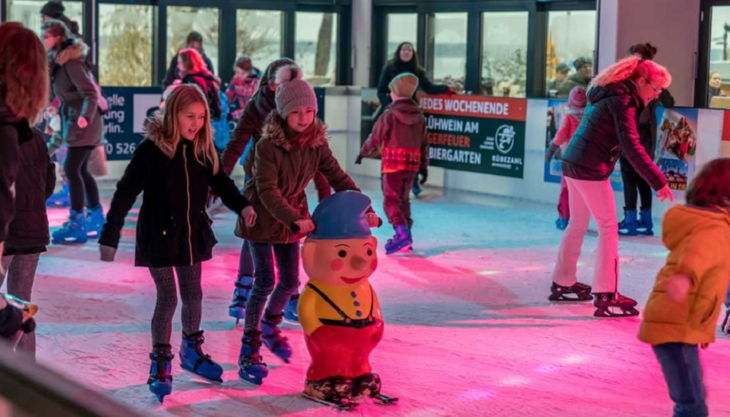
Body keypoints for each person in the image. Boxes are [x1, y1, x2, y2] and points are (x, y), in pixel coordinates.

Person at [98, 85, 255, 402]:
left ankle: (192, 350)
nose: (195, 123)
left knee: (194, 293)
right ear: (173, 115)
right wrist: (111, 233)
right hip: (157, 235)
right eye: (189, 116)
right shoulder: (152, 150)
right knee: (168, 297)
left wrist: (243, 205)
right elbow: (126, 191)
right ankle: (160, 361)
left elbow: (221, 183)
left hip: (190, 233)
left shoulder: (202, 149)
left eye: (200, 117)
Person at [235, 76, 379, 385]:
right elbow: (267, 190)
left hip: (292, 221)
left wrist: (364, 208)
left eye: (309, 112)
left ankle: (271, 324)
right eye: (297, 112)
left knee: (289, 282)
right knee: (265, 282)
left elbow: (338, 177)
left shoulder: (316, 143)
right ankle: (250, 347)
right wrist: (293, 218)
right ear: (284, 113)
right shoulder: (267, 146)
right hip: (261, 219)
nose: (304, 118)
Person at [549, 55, 675, 317]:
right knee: (608, 227)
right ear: (641, 81)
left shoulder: (610, 94)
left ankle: (563, 281)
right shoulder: (623, 101)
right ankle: (607, 294)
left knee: (578, 224)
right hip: (589, 168)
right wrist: (658, 180)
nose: (657, 95)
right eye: (655, 89)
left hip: (573, 162)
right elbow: (631, 146)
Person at [222, 59, 331, 324]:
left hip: (291, 178)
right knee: (255, 229)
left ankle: (290, 295)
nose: (294, 89)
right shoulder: (256, 108)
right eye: (286, 85)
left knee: (290, 229)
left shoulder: (301, 110)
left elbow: (316, 154)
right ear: (271, 85)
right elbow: (237, 143)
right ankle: (243, 290)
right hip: (260, 176)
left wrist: (325, 195)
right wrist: (219, 180)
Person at [638, 158, 730, 417]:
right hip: (675, 324)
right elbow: (697, 253)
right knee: (692, 404)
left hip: (680, 322)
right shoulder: (714, 228)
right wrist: (685, 277)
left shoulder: (705, 219)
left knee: (692, 397)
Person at [0, 22, 49, 343]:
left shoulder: (16, 132)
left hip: (26, 233)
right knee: (19, 313)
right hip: (27, 231)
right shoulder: (8, 133)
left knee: (19, 312)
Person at [42, 19, 104, 244]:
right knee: (81, 170)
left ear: (57, 38)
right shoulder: (58, 62)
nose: (43, 40)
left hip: (84, 124)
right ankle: (95, 216)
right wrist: (55, 105)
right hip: (75, 120)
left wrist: (84, 117)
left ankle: (77, 221)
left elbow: (90, 93)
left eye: (46, 36)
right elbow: (65, 92)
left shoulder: (71, 63)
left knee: (71, 167)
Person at [357, 72, 427, 255]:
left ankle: (402, 233)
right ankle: (406, 236)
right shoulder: (420, 117)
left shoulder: (389, 115)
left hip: (392, 165)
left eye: (392, 92)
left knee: (390, 201)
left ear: (396, 94)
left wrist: (363, 152)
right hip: (411, 165)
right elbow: (424, 144)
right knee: (403, 200)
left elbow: (375, 137)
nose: (390, 95)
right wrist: (424, 167)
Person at [1, 127, 55, 358]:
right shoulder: (34, 135)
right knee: (22, 306)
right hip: (31, 227)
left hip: (7, 230)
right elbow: (49, 178)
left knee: (15, 309)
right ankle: (27, 375)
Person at [376, 42, 453, 197]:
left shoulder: (417, 70)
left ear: (413, 53)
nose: (407, 52)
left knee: (413, 148)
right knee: (391, 149)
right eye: (404, 49)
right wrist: (391, 105)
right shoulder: (389, 68)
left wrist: (445, 89)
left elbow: (429, 87)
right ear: (399, 52)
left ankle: (414, 180)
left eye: (409, 50)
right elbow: (381, 91)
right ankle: (386, 178)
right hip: (393, 114)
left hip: (411, 114)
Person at [618, 43, 675, 236]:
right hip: (644, 136)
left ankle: (633, 219)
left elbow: (668, 102)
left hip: (634, 135)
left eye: (633, 59)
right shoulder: (645, 80)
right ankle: (644, 219)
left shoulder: (637, 81)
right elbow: (669, 101)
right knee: (641, 177)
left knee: (631, 178)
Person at [545, 86, 587, 231]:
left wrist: (550, 152)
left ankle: (564, 218)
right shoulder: (590, 116)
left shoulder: (569, 117)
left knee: (566, 188)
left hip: (570, 158)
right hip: (586, 159)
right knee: (583, 191)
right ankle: (579, 220)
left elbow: (560, 135)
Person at [227, 55, 261, 122]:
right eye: (237, 72)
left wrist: (233, 115)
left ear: (250, 71)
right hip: (243, 117)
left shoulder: (257, 83)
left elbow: (254, 109)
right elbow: (227, 98)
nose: (239, 75)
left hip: (256, 119)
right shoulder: (236, 79)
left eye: (243, 73)